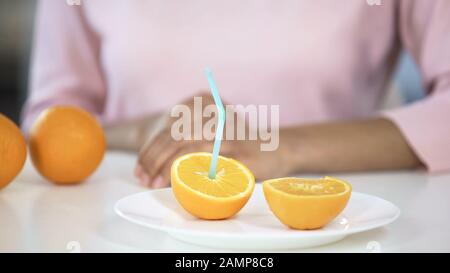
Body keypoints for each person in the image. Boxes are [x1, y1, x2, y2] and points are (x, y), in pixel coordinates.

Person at [23, 0, 450, 188]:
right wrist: (143, 133)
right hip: (129, 224)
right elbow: (48, 126)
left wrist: (280, 147)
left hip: (330, 226)